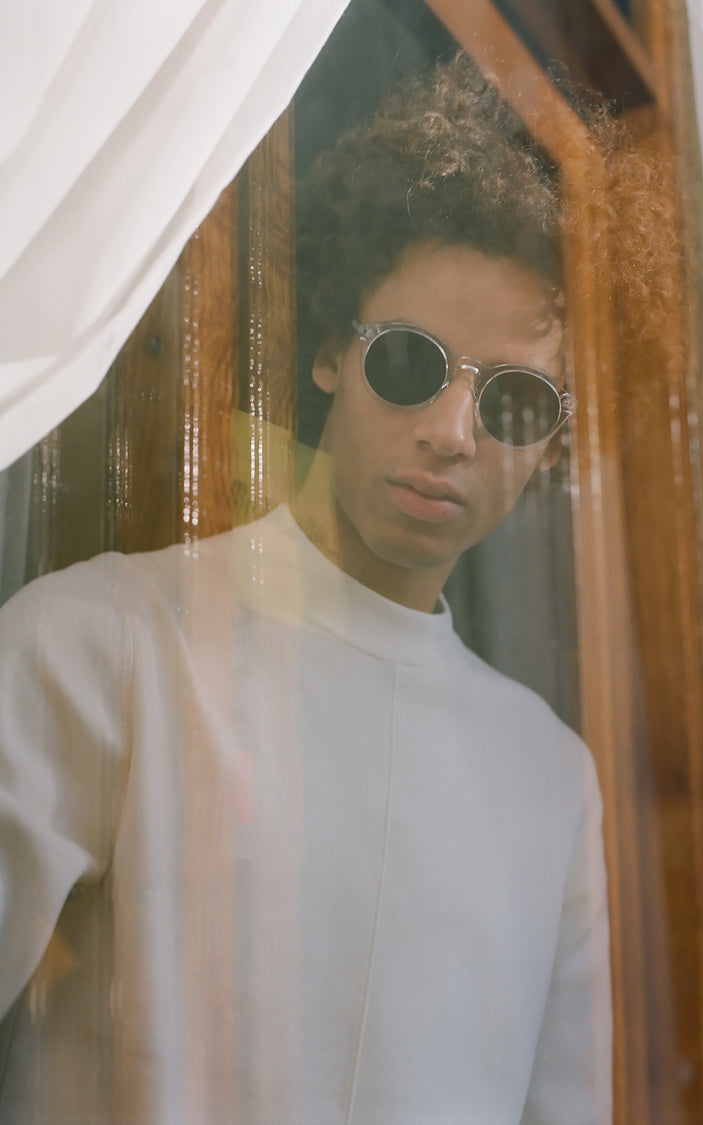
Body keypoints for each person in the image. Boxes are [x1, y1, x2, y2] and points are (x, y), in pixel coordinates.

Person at [0, 54, 611, 1123]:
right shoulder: (103, 645)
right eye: (412, 362)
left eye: (512, 401)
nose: (451, 435)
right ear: (332, 350)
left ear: (553, 444)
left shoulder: (551, 779)